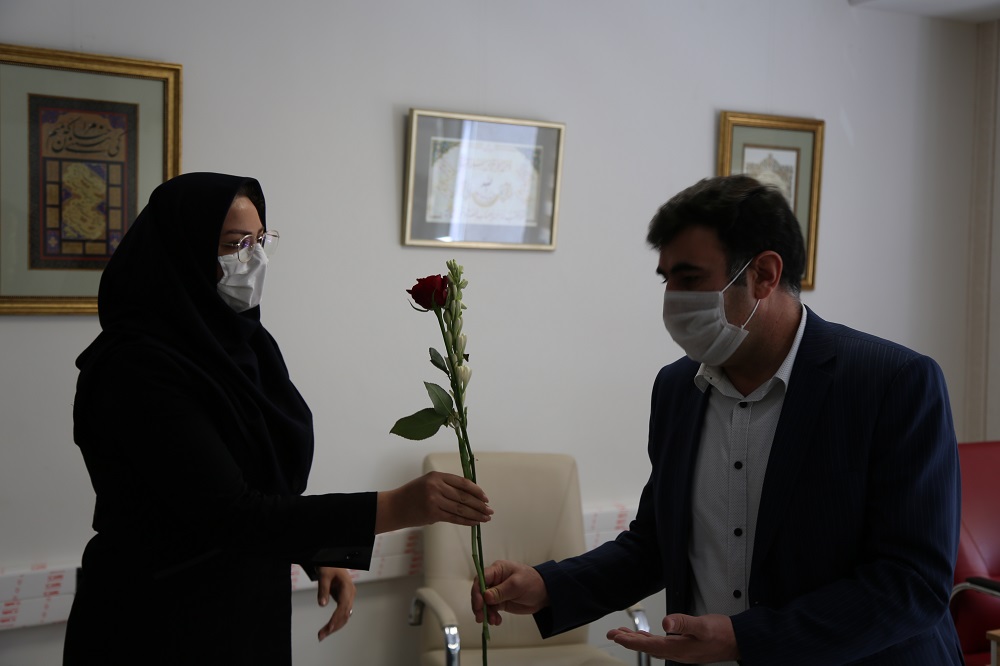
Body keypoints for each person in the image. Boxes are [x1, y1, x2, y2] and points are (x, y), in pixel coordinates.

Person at [471, 175, 962, 665]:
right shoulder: (677, 389)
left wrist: (746, 639)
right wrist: (549, 585)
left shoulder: (891, 383)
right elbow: (657, 544)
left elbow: (912, 582)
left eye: (690, 279)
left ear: (764, 274)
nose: (673, 300)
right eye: (667, 280)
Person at [64, 172, 493, 665]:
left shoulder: (243, 345)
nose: (254, 259)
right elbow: (229, 511)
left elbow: (259, 481)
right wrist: (396, 506)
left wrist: (314, 550)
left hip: (244, 604)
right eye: (235, 244)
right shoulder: (135, 368)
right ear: (182, 251)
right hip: (157, 620)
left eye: (260, 240)